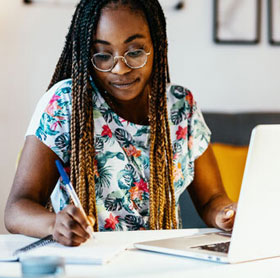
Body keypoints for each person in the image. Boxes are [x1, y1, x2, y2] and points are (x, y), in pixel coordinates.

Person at [5, 0, 236, 246]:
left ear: (157, 45)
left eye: (135, 52)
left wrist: (226, 214)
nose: (120, 68)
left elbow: (211, 199)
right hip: (88, 259)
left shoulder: (180, 105)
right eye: (103, 55)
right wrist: (54, 224)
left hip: (163, 260)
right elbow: (17, 209)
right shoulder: (66, 103)